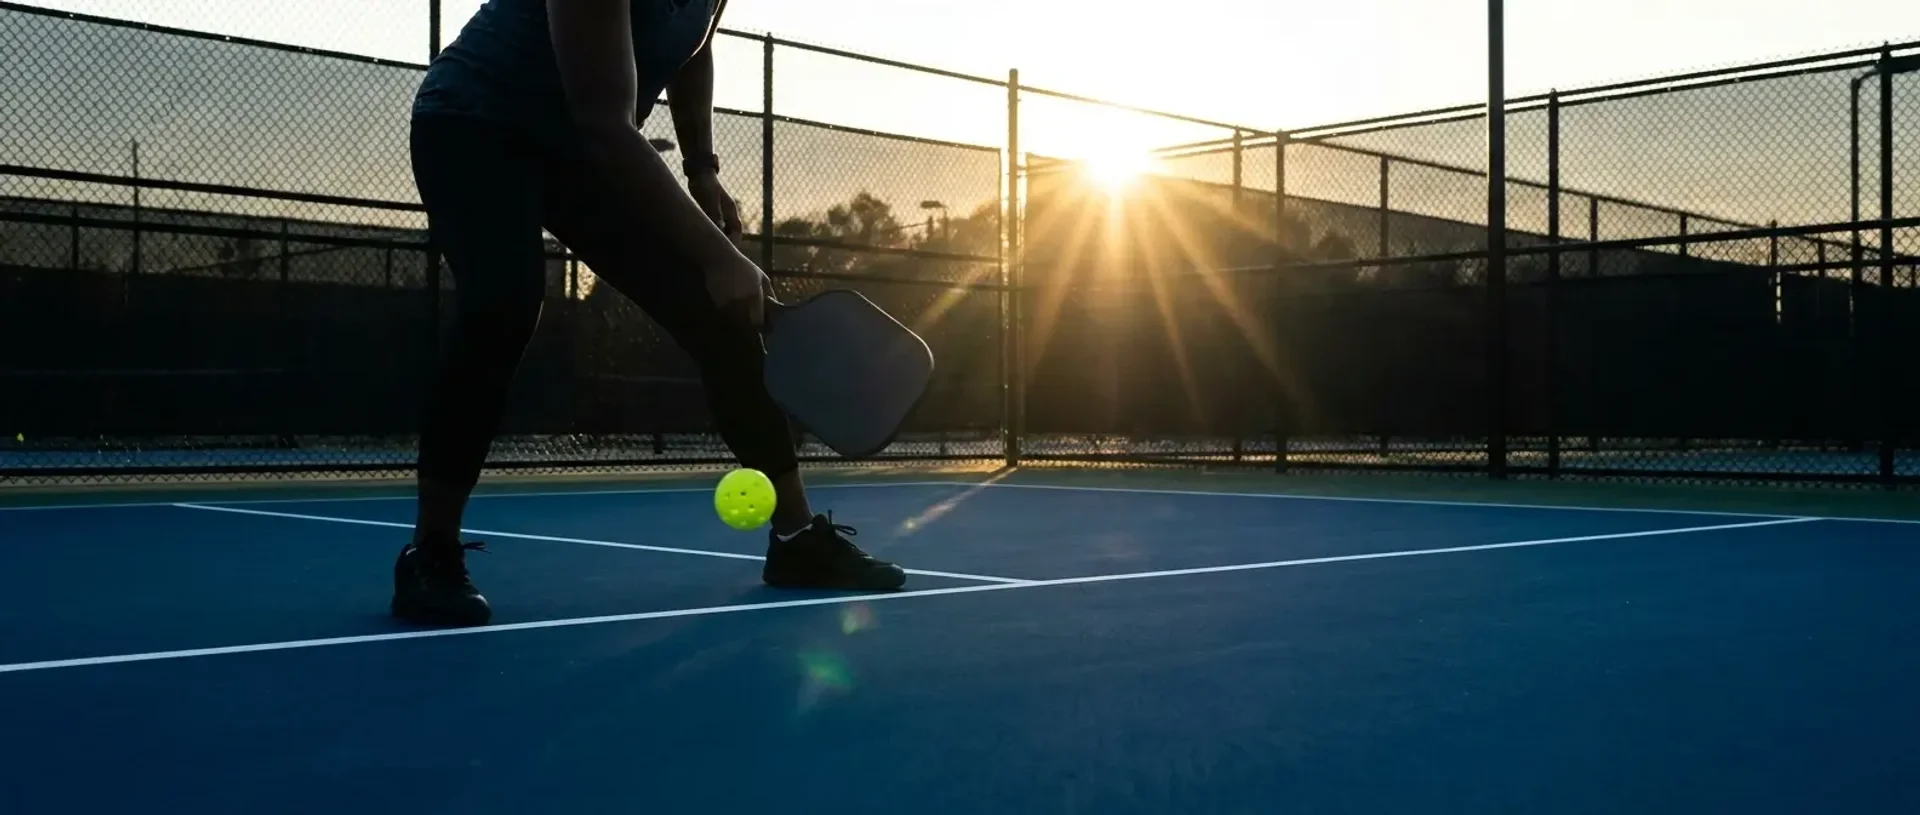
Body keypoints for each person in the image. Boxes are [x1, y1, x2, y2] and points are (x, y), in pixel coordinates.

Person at [393, 0, 907, 627]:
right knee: (503, 304)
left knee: (726, 318)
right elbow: (607, 126)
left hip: (582, 148)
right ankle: (431, 551)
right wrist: (718, 256)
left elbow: (692, 50)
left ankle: (798, 540)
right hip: (476, 123)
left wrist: (702, 167)